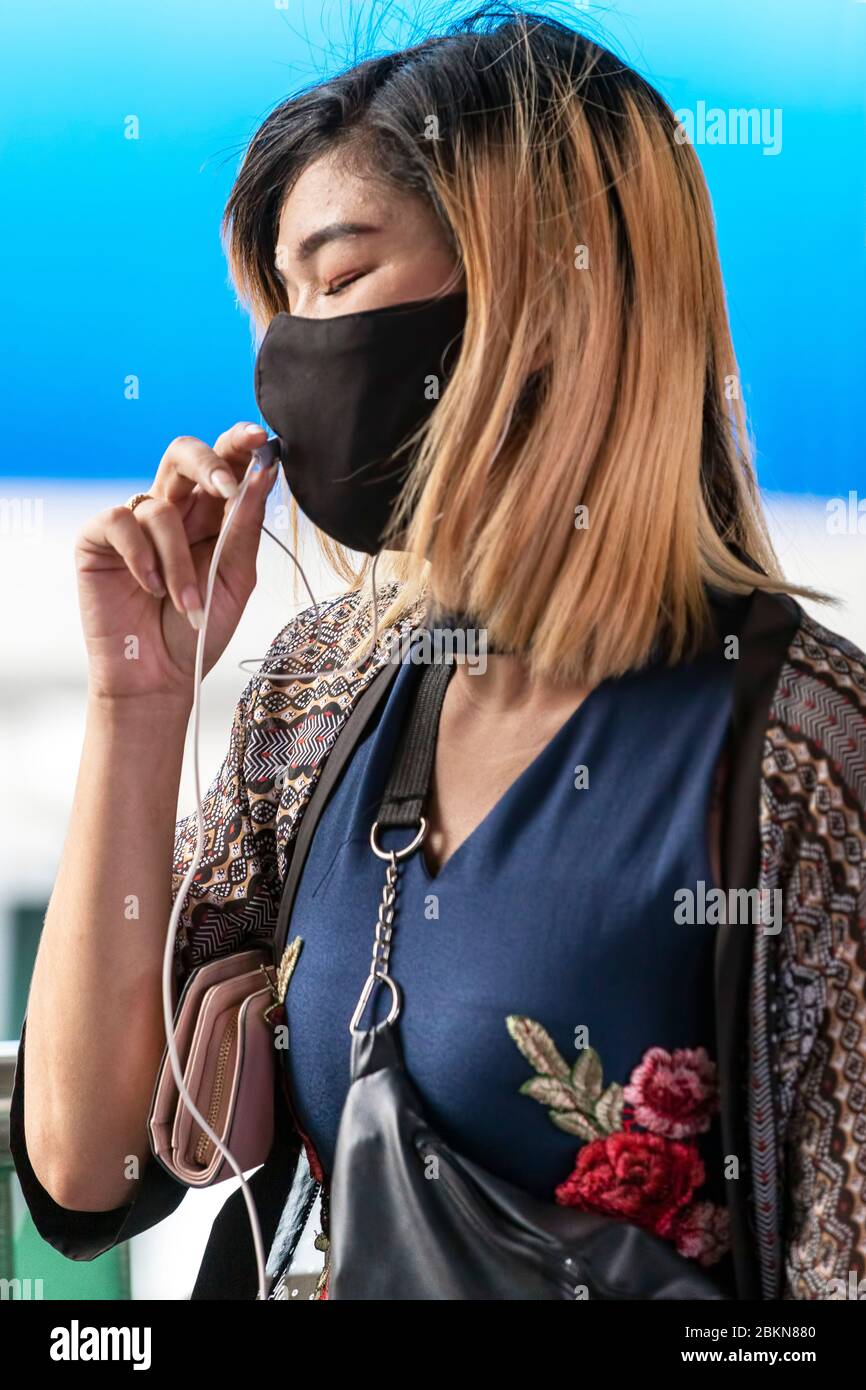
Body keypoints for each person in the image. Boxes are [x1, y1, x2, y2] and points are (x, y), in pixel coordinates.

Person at [11, 8, 866, 1301]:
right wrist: (141, 698)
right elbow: (90, 1166)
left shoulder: (799, 752)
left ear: (543, 288)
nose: (290, 360)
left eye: (339, 281)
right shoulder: (317, 689)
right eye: (280, 307)